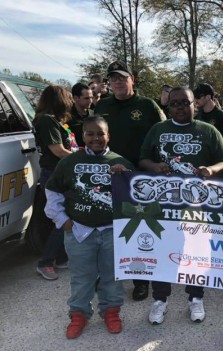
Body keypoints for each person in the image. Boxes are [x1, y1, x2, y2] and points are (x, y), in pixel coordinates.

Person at [139, 86, 223, 324]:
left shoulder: (208, 130)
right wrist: (154, 166)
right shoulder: (158, 129)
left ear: (194, 104)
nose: (179, 107)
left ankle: (195, 297)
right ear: (168, 106)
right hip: (164, 205)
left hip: (196, 206)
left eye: (184, 102)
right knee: (163, 252)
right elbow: (143, 159)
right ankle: (160, 300)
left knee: (195, 253)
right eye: (174, 103)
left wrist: (211, 169)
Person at [44, 115, 134, 339]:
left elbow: (134, 198)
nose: (96, 138)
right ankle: (79, 314)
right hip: (79, 231)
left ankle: (111, 312)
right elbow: (52, 190)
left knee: (112, 275)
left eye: (100, 133)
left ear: (108, 135)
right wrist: (62, 220)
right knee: (81, 276)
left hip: (111, 232)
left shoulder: (120, 161)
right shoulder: (69, 162)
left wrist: (125, 177)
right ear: (82, 136)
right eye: (90, 134)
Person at [95, 60, 165, 302]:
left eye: (122, 78)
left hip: (139, 177)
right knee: (107, 228)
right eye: (113, 78)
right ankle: (107, 275)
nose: (117, 82)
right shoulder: (102, 105)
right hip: (110, 175)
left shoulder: (148, 106)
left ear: (132, 79)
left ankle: (140, 279)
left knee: (137, 228)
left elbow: (161, 136)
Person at [33, 85, 77, 281]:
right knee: (62, 219)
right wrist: (82, 158)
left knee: (64, 216)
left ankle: (60, 257)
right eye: (68, 97)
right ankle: (45, 262)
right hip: (53, 175)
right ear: (59, 100)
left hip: (58, 173)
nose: (71, 101)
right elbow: (58, 151)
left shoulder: (53, 121)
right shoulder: (47, 121)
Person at [67, 83, 93, 147]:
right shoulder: (66, 116)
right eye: (86, 98)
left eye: (91, 97)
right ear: (75, 98)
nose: (90, 101)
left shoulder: (94, 114)